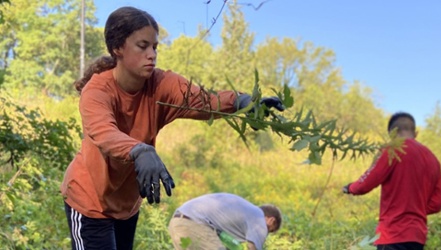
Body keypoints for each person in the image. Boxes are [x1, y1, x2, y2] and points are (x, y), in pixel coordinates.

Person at [60, 6, 284, 250]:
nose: (151, 54)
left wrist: (243, 102)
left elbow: (204, 101)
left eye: (155, 47)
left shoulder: (161, 84)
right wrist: (140, 150)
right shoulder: (98, 91)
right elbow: (102, 130)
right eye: (142, 45)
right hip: (90, 201)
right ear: (118, 48)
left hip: (126, 206)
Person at [342, 112, 441, 250]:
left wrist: (349, 187)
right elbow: (436, 204)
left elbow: (365, 184)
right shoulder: (433, 160)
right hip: (417, 237)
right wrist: (414, 209)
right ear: (416, 133)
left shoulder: (393, 149)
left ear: (391, 133)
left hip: (392, 235)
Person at [168, 193, 282, 250]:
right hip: (194, 223)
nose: (265, 234)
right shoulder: (258, 217)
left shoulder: (246, 211)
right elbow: (252, 248)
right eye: (269, 230)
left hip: (178, 222)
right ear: (271, 220)